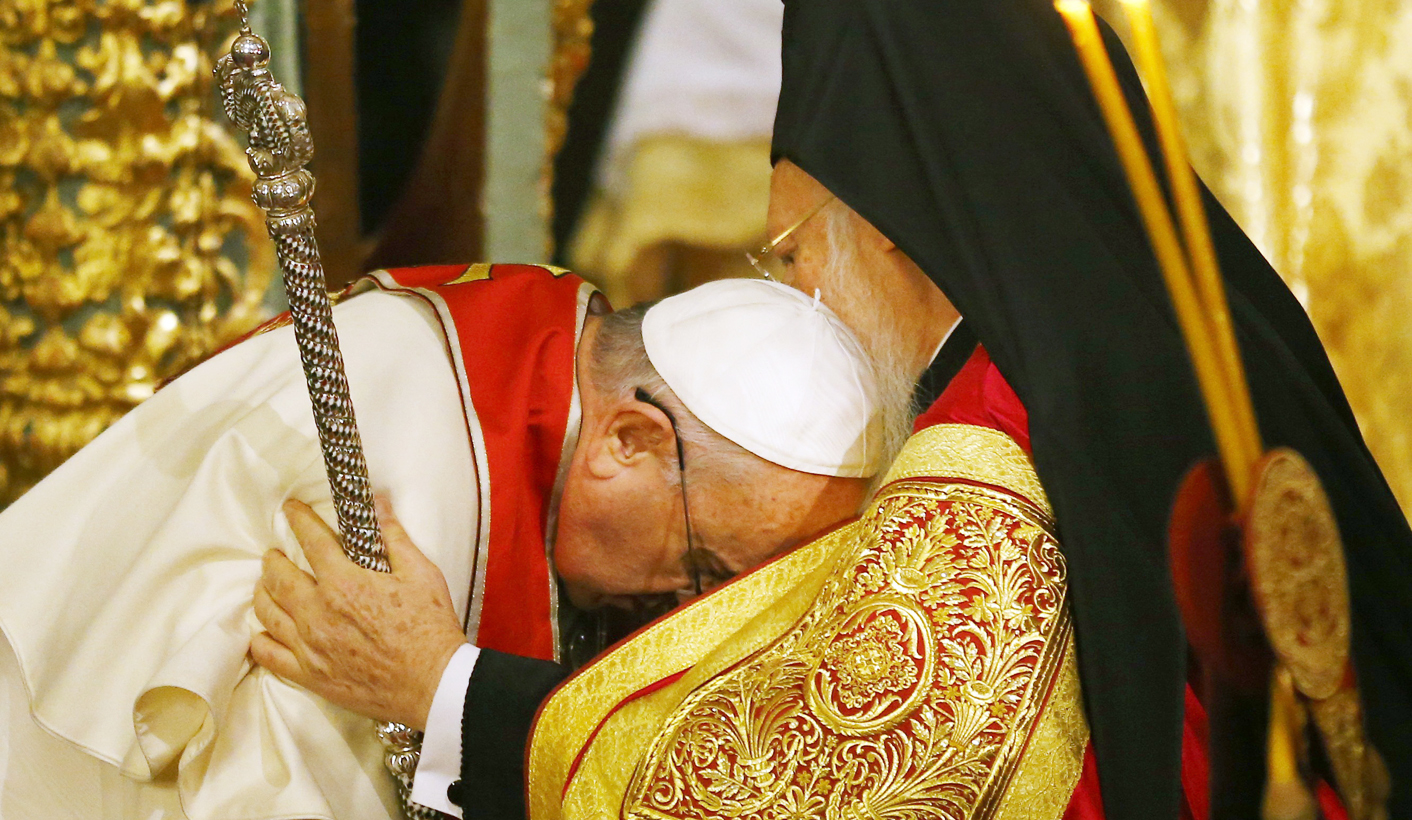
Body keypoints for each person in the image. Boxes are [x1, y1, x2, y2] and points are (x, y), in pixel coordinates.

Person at [759, 0, 1412, 817]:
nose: (794, 297)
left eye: (790, 254)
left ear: (885, 217)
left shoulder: (987, 437)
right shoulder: (1194, 329)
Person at [0, 263, 883, 820]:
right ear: (629, 440)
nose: (688, 618)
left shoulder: (554, 352)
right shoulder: (399, 461)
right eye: (703, 571)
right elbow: (272, 790)